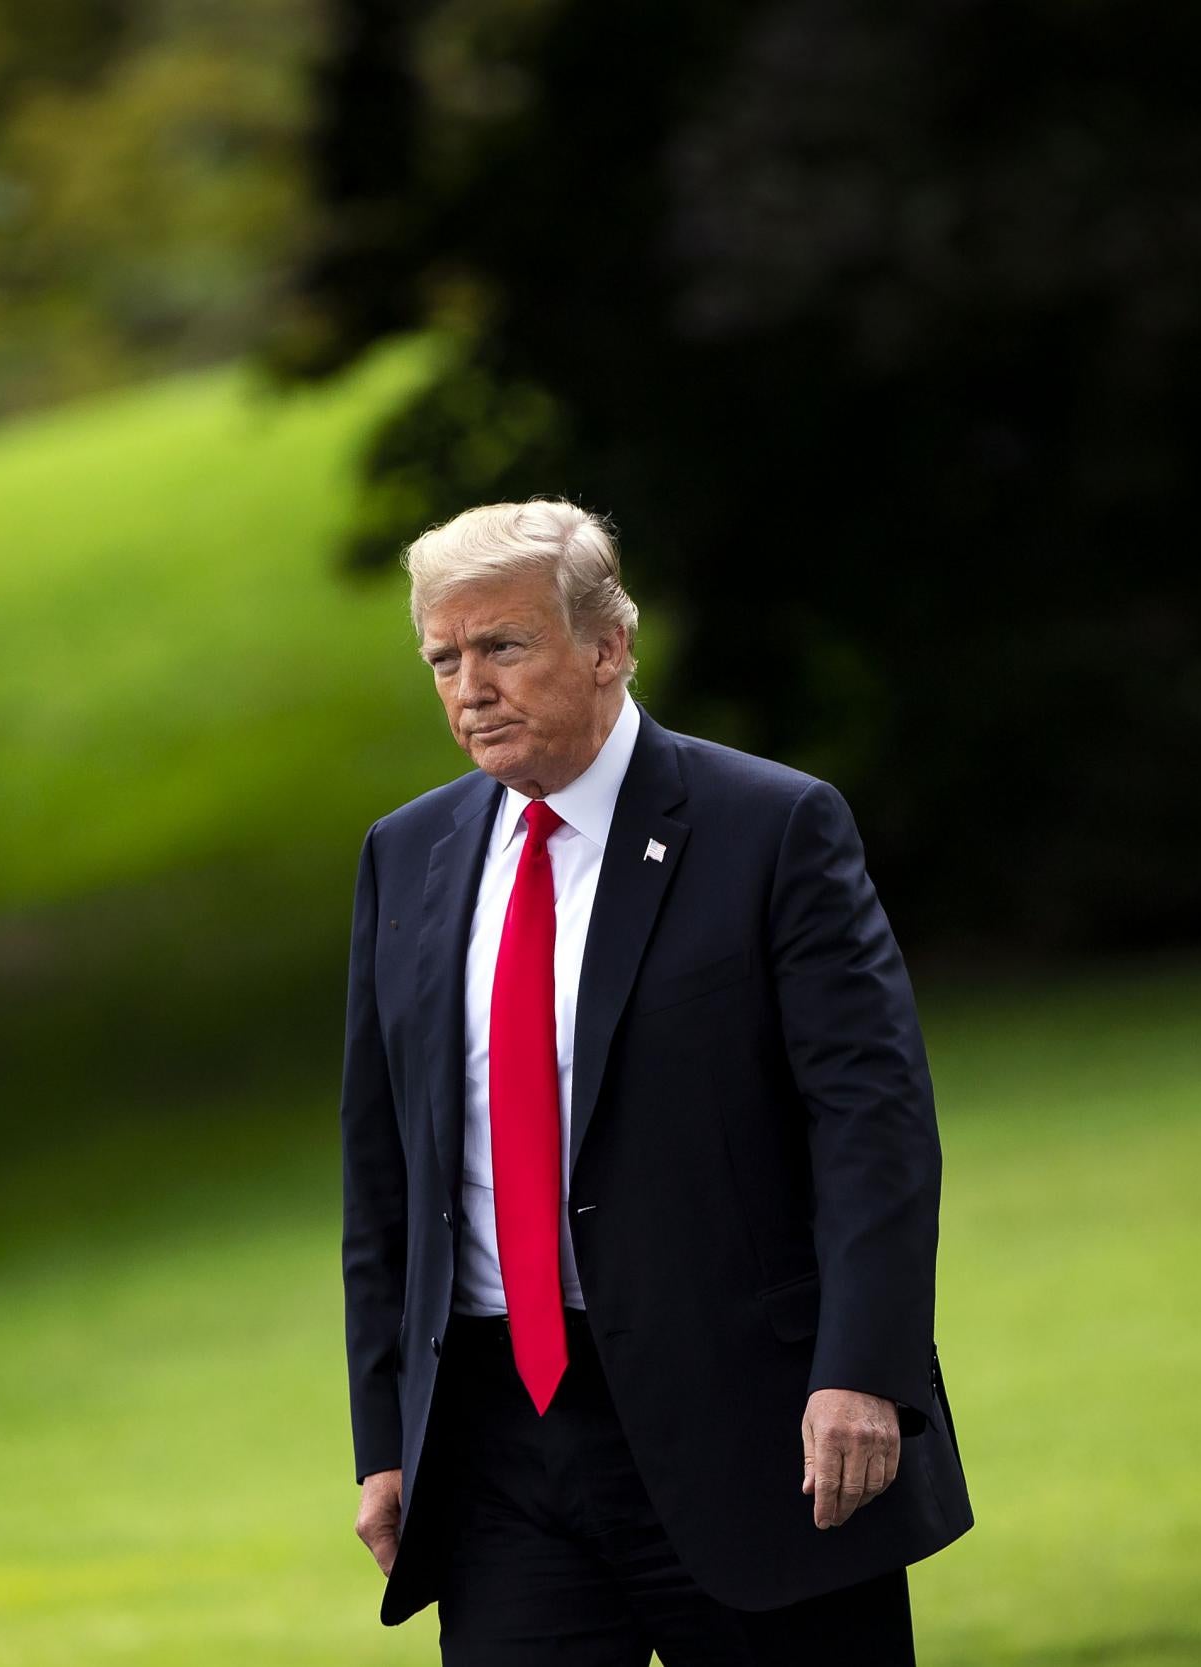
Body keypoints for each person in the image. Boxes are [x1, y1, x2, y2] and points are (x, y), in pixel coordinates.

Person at [337, 500, 973, 1664]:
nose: (469, 684)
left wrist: (861, 1372)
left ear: (607, 645)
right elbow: (384, 1172)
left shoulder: (770, 825)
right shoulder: (407, 855)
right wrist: (386, 1436)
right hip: (498, 1452)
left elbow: (870, 1121)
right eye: (444, 656)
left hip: (754, 1429)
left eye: (504, 646)